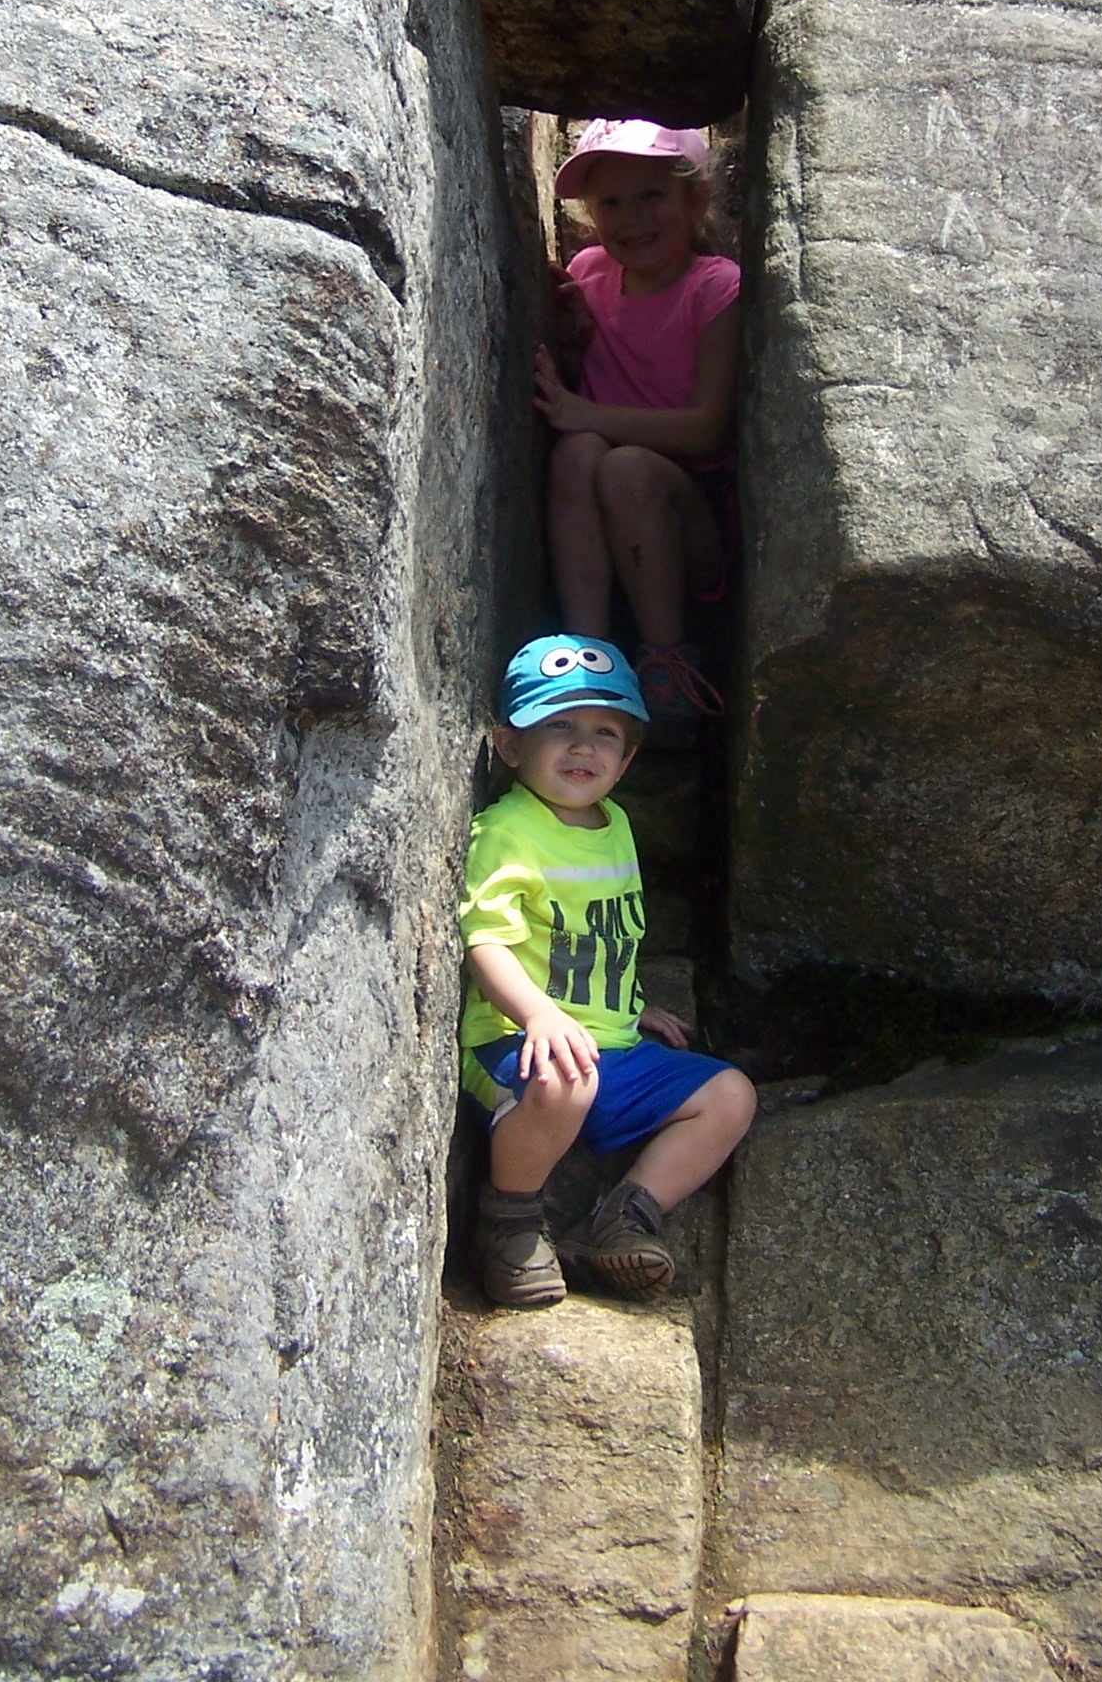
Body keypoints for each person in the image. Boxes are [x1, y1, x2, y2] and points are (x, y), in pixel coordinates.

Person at [462, 635, 757, 1309]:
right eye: (558, 727)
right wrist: (537, 1013)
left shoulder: (614, 823)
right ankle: (510, 1223)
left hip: (609, 1045)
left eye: (604, 733)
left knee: (730, 1095)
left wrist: (629, 1006)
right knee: (567, 1080)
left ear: (626, 760)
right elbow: (486, 941)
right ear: (511, 746)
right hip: (517, 1046)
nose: (582, 747)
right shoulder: (508, 831)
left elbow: (599, 935)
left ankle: (625, 1220)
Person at [534, 119, 739, 738]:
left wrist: (587, 413)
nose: (633, 218)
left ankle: (667, 660)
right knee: (576, 455)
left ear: (695, 199)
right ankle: (586, 662)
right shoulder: (592, 272)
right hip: (605, 522)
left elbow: (707, 431)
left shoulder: (716, 286)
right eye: (611, 203)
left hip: (688, 526)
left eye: (652, 195)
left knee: (620, 463)